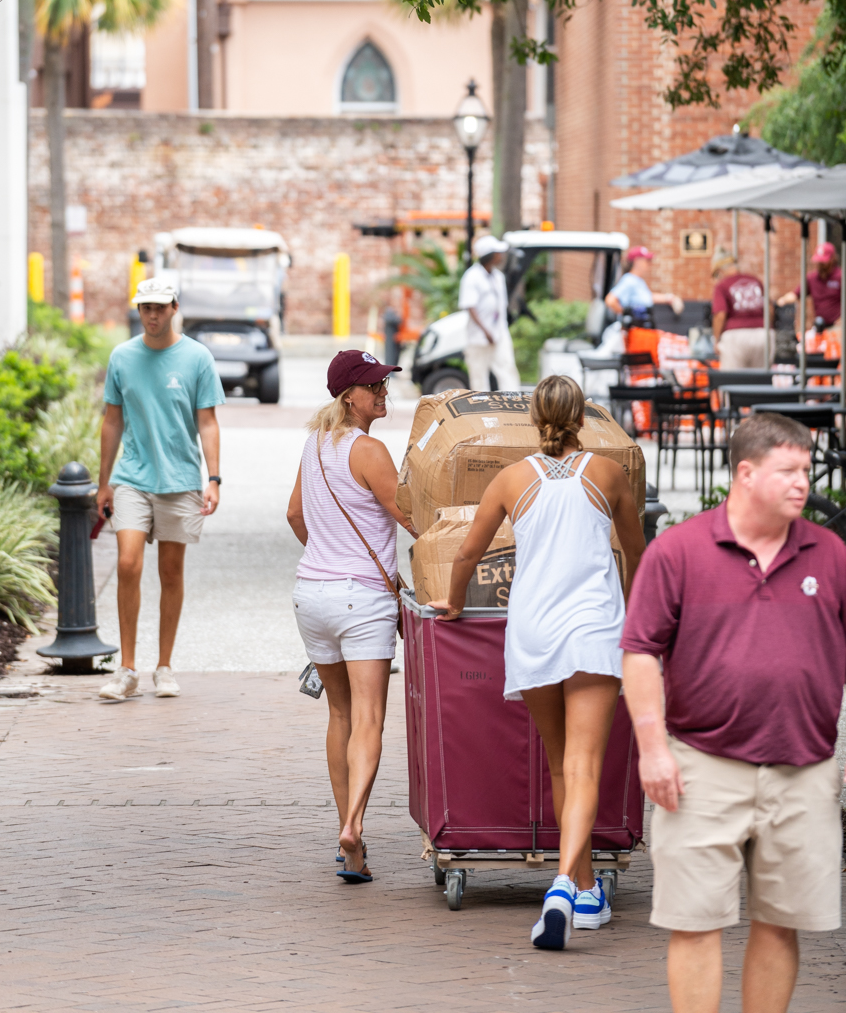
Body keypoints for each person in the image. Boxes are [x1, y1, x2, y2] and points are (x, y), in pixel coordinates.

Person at [621, 413, 846, 1013]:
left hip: (805, 767)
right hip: (701, 765)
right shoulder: (679, 551)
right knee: (694, 920)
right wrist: (653, 750)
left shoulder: (832, 555)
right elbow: (640, 653)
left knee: (781, 921)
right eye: (789, 471)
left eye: (807, 469)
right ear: (745, 473)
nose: (804, 482)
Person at [429, 375, 644, 949]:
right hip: (592, 629)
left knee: (559, 763)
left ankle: (584, 885)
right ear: (582, 418)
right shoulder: (607, 474)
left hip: (534, 630)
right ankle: (562, 888)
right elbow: (636, 554)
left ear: (534, 418)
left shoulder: (510, 478)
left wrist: (452, 601)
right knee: (585, 765)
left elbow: (469, 551)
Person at [286, 350, 416, 883]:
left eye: (385, 383)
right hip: (361, 602)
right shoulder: (369, 450)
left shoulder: (315, 444)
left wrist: (328, 556)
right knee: (368, 720)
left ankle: (348, 841)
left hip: (310, 596)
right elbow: (411, 518)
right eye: (374, 386)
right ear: (349, 397)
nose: (384, 392)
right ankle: (355, 825)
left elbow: (295, 515)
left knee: (339, 718)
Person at [96, 278, 225, 701]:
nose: (151, 315)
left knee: (170, 572)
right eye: (144, 308)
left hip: (180, 479)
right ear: (138, 311)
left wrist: (214, 478)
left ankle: (164, 667)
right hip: (132, 477)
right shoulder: (122, 357)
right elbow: (112, 420)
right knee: (129, 563)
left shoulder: (196, 357)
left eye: (159, 307)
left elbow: (207, 422)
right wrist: (104, 482)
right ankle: (127, 669)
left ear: (173, 308)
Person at [458, 234, 521, 391]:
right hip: (479, 337)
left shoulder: (498, 277)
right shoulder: (472, 277)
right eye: (498, 253)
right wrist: (486, 331)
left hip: (499, 333)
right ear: (491, 256)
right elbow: (470, 306)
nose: (501, 256)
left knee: (507, 370)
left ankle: (513, 407)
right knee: (479, 376)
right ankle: (481, 410)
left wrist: (497, 330)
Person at [710, 252, 767, 369]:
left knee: (732, 381)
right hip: (763, 334)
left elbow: (720, 315)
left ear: (720, 271)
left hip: (735, 336)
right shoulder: (755, 280)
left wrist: (716, 340)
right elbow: (769, 309)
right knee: (760, 381)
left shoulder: (722, 285)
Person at [605, 246, 683, 323]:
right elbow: (610, 300)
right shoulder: (629, 280)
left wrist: (669, 298)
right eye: (646, 260)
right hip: (633, 330)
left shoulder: (638, 280)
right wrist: (627, 314)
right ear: (637, 261)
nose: (649, 263)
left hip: (641, 327)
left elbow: (648, 297)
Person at [777, 240, 842, 331]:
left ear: (832, 259)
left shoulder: (840, 277)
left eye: (824, 261)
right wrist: (782, 301)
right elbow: (795, 294)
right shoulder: (812, 278)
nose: (821, 264)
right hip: (819, 326)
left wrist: (842, 320)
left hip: (838, 327)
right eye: (819, 261)